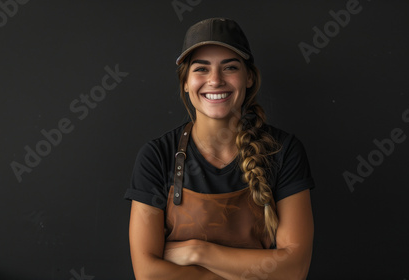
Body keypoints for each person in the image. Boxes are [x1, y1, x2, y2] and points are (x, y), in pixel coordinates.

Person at [125, 18, 315, 279]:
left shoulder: (283, 151)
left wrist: (197, 252)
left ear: (248, 77)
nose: (215, 80)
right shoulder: (157, 156)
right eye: (201, 69)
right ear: (185, 82)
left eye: (230, 68)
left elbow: (295, 269)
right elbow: (147, 274)